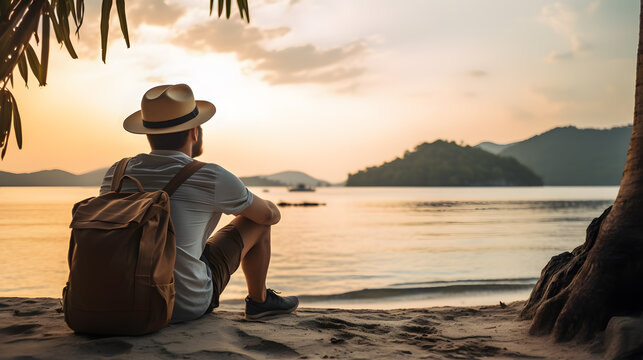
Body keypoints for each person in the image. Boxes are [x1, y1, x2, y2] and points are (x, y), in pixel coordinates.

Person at [100, 83, 298, 322]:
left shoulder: (117, 172)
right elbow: (267, 216)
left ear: (148, 134)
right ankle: (259, 301)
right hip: (182, 305)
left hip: (115, 299)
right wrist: (259, 205)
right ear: (194, 131)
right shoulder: (208, 175)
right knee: (256, 221)